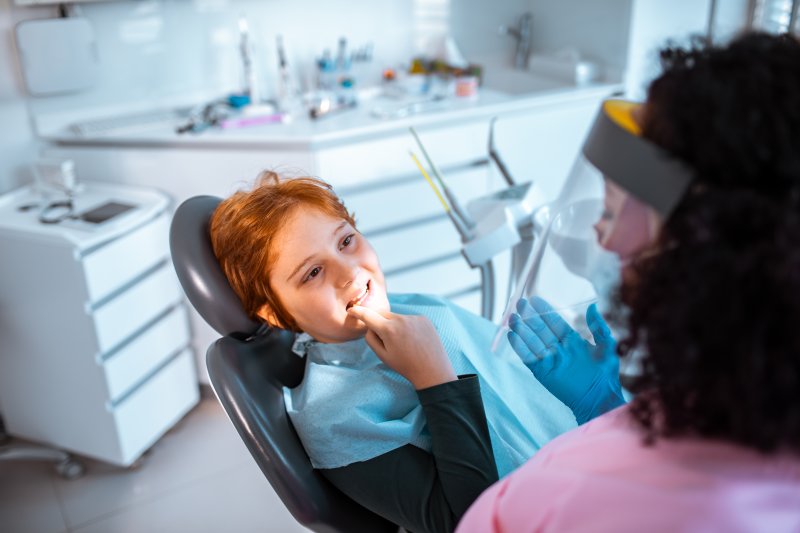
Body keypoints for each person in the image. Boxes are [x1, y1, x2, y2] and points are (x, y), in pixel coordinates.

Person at [351, 32, 800, 531]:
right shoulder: (746, 405)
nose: (599, 237)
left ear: (700, 249)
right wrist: (613, 409)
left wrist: (438, 385)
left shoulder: (631, 508)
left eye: (608, 213)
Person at [208, 171, 576, 533]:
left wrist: (594, 403)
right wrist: (434, 381)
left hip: (583, 466)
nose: (349, 272)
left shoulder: (414, 304)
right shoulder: (333, 418)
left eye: (346, 241)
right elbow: (467, 522)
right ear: (273, 312)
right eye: (313, 272)